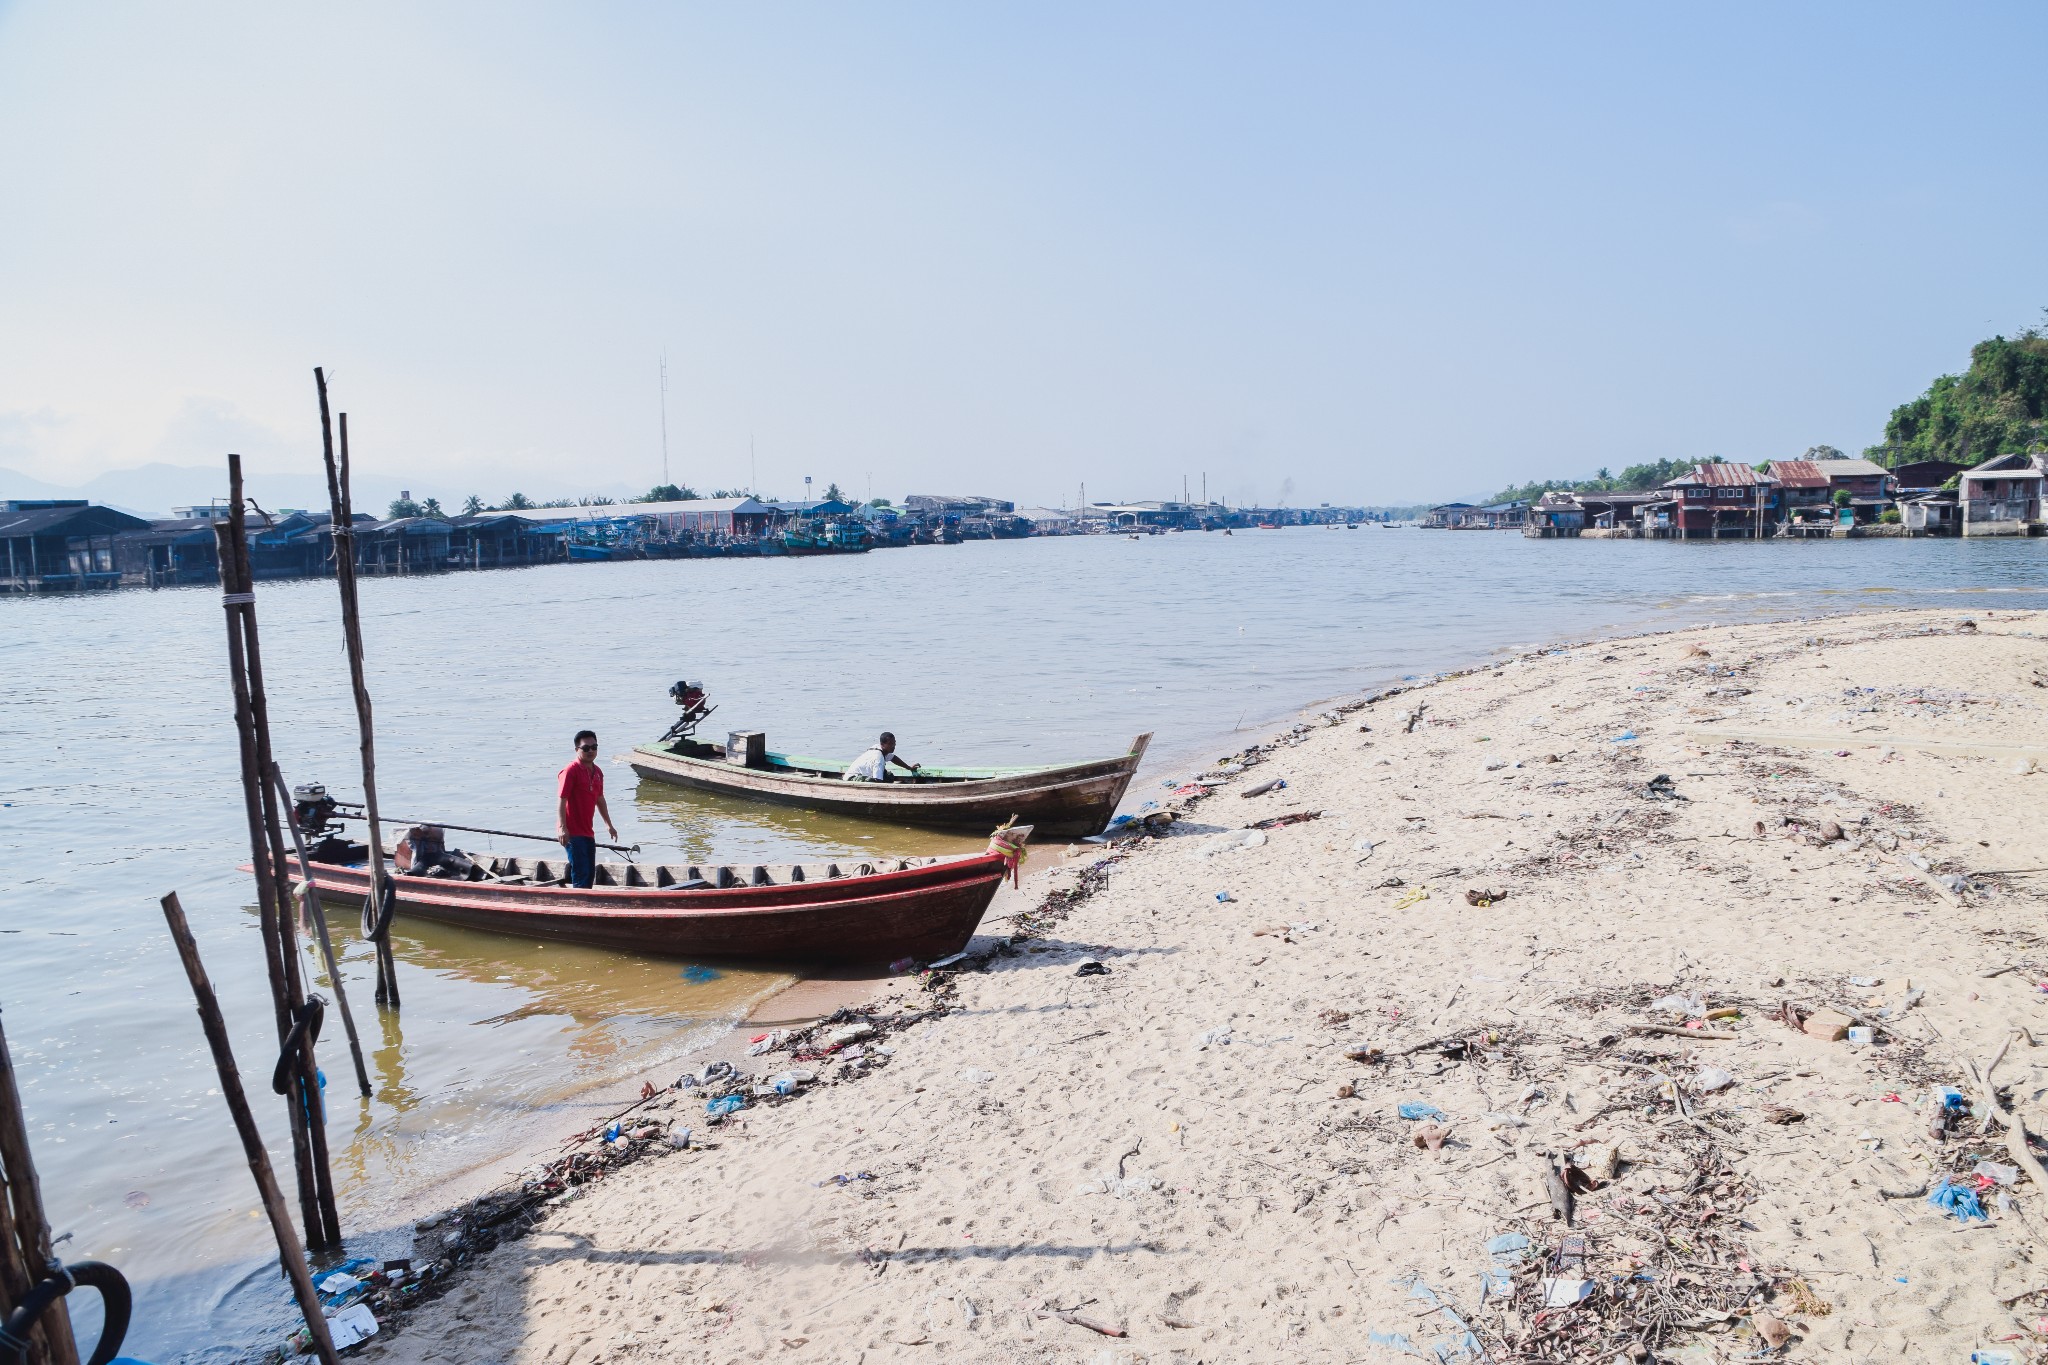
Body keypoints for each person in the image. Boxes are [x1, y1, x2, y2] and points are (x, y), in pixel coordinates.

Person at [556, 730, 617, 889]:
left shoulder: (597, 772)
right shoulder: (570, 771)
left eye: (594, 747)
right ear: (577, 750)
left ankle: (585, 904)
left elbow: (600, 799)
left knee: (590, 874)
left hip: (587, 831)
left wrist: (609, 825)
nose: (591, 751)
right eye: (586, 748)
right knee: (582, 874)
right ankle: (579, 907)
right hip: (572, 832)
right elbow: (562, 799)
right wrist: (562, 828)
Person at [841, 731, 921, 783]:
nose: (893, 746)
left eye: (894, 743)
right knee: (872, 781)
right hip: (851, 778)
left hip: (863, 774)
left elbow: (893, 758)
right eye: (890, 744)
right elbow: (878, 781)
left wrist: (909, 768)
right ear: (882, 744)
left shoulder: (879, 748)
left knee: (888, 776)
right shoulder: (878, 758)